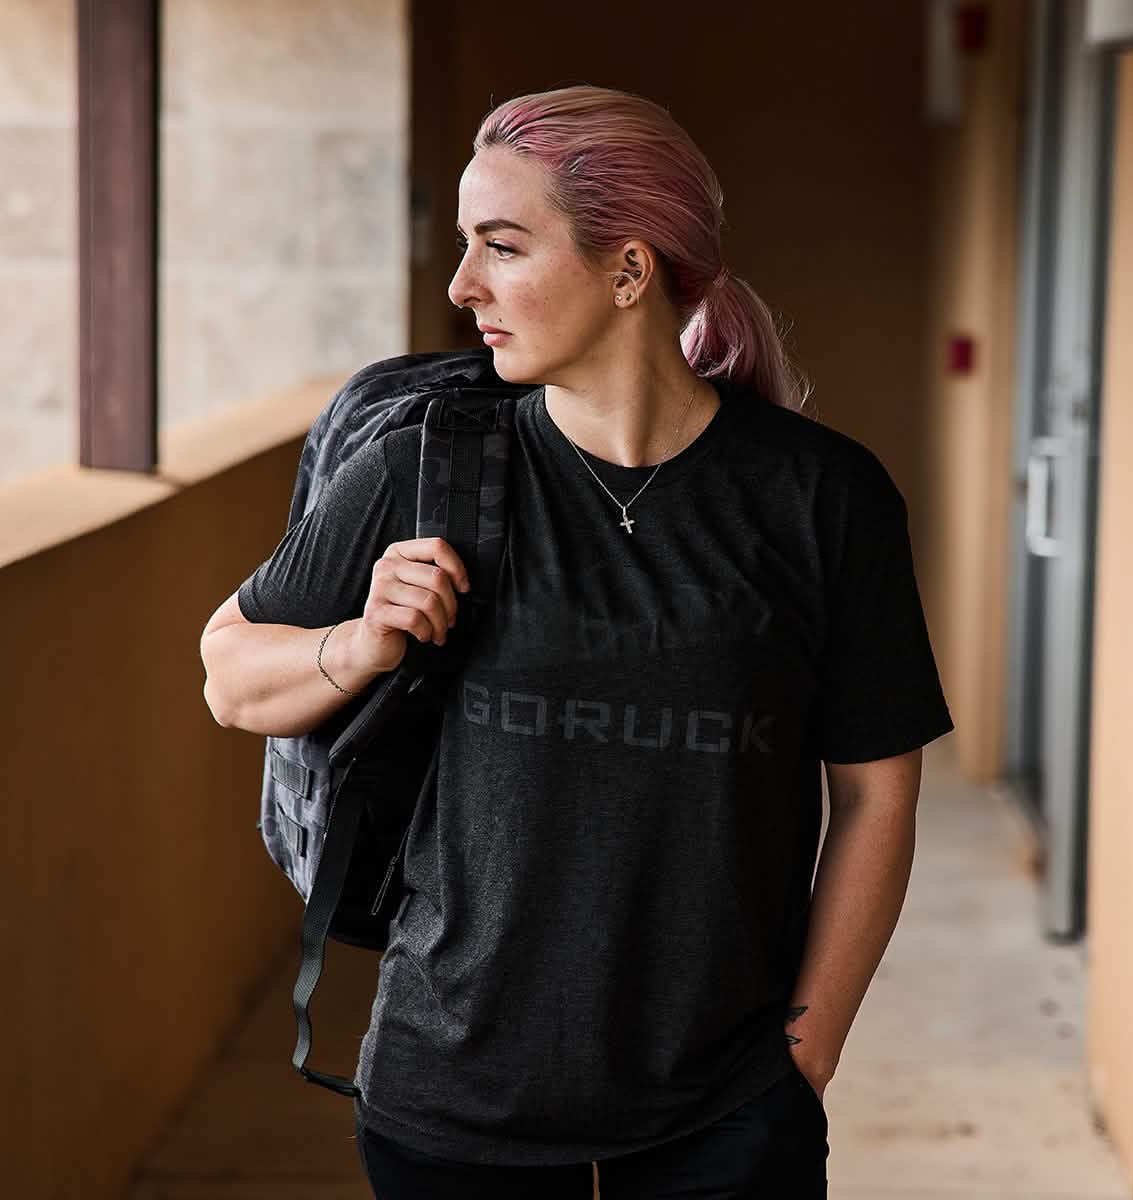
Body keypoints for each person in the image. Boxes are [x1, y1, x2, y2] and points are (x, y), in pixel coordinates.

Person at [200, 84, 954, 1199]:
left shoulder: (821, 498)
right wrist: (356, 647)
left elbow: (878, 797)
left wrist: (806, 1054)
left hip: (725, 1112)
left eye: (501, 248)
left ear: (630, 270)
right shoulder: (426, 463)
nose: (463, 288)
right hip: (451, 1100)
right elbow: (228, 670)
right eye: (466, 247)